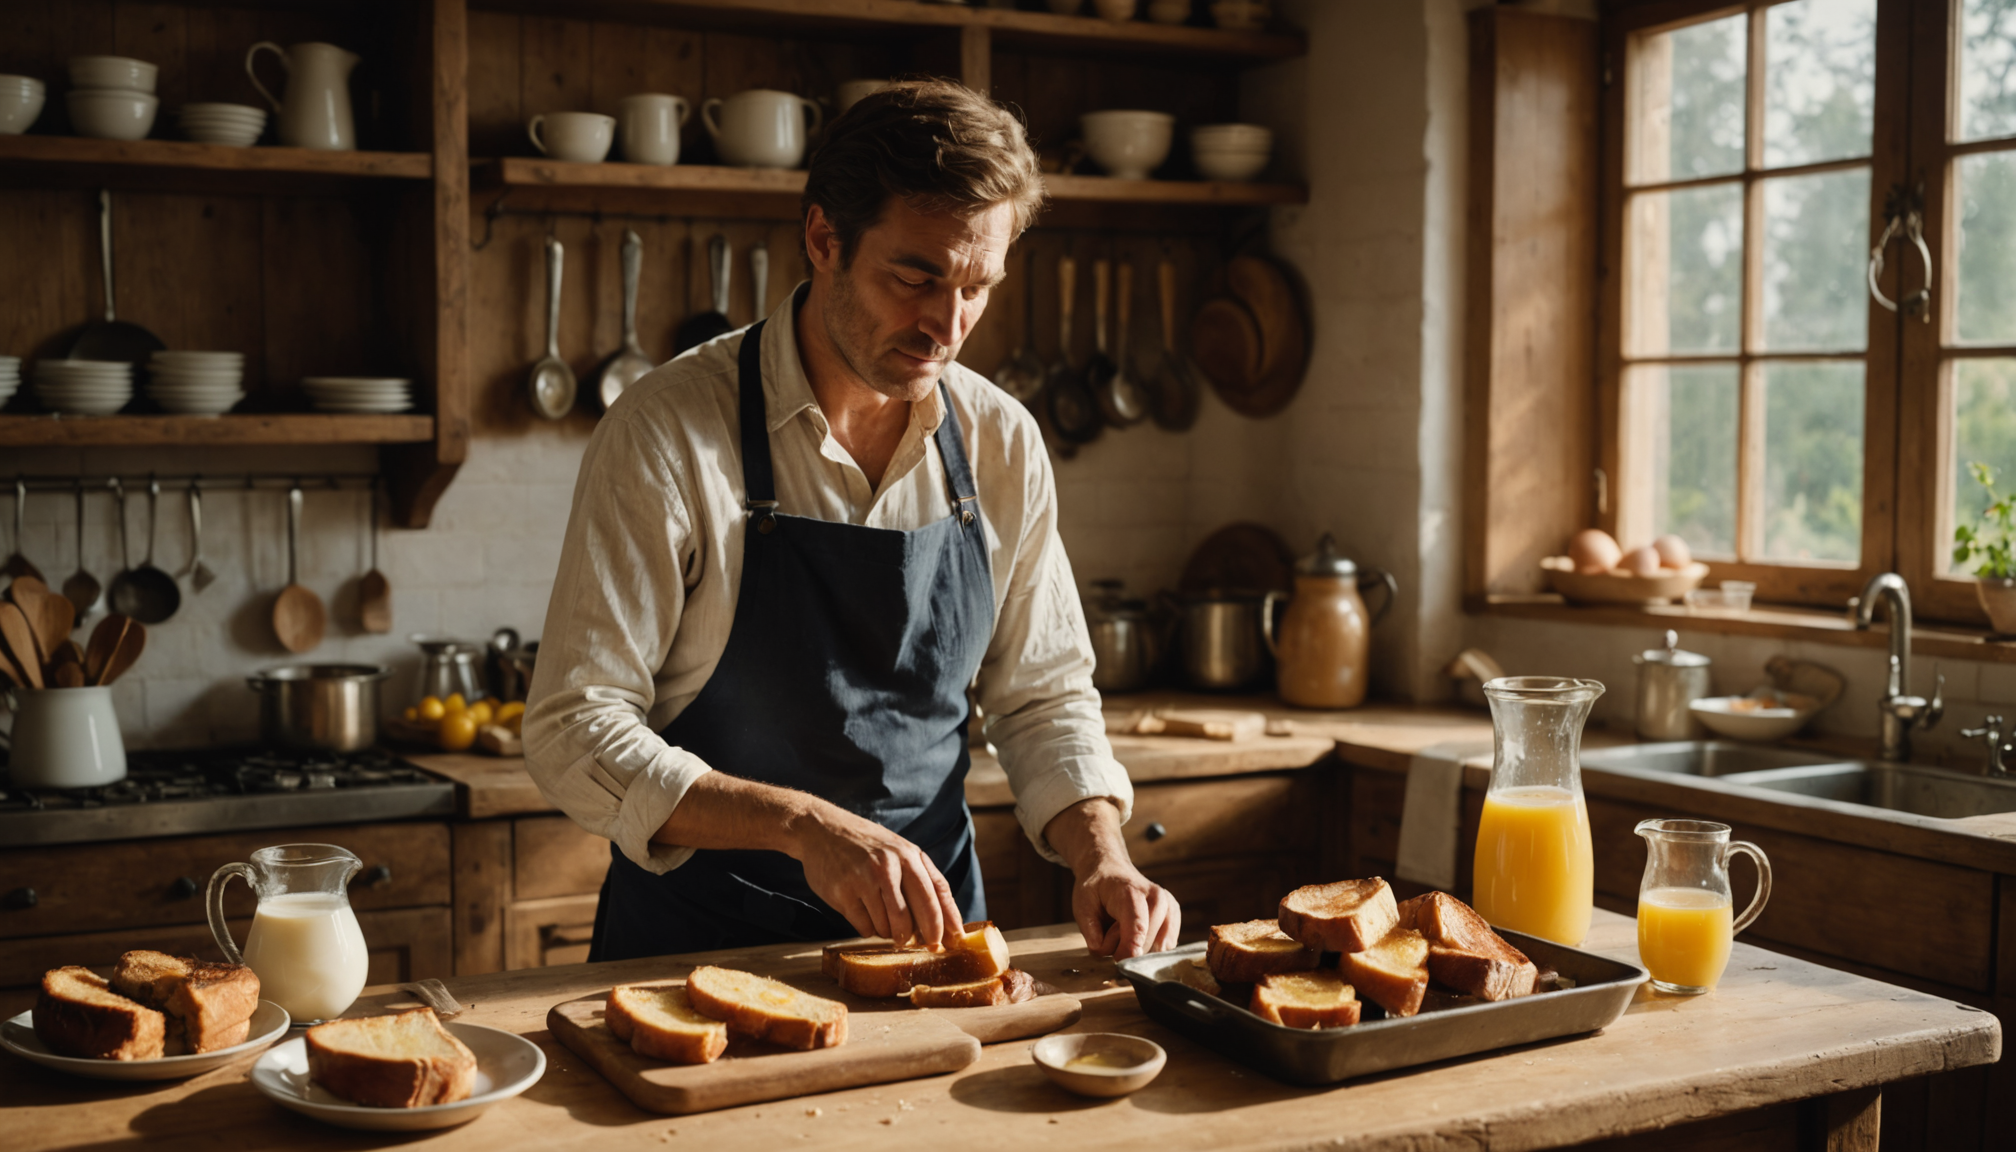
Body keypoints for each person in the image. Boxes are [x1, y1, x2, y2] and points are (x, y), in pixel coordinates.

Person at [523, 79, 1179, 964]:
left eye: (977, 288)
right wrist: (803, 825)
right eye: (916, 278)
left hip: (932, 945)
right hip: (697, 954)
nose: (946, 326)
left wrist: (1102, 856)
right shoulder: (666, 432)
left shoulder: (1002, 442)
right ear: (824, 239)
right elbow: (574, 726)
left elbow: (1042, 696)